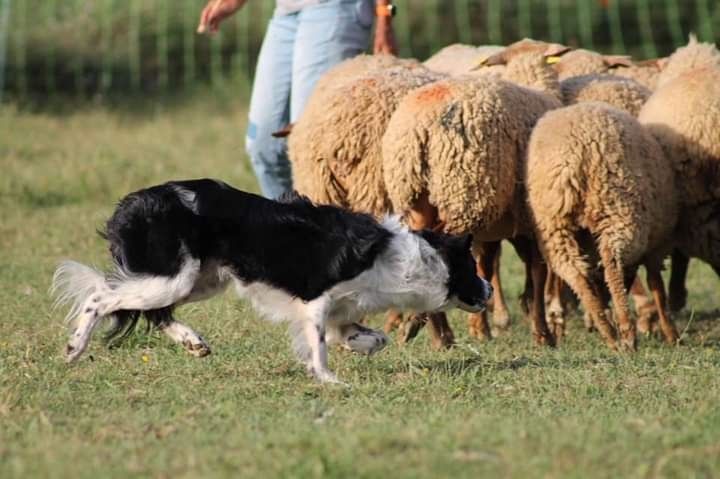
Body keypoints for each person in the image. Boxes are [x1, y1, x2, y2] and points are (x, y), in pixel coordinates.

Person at [198, 0, 398, 198]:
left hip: (336, 10)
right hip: (285, 14)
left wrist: (384, 15)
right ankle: (287, 221)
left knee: (309, 148)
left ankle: (323, 224)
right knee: (261, 143)